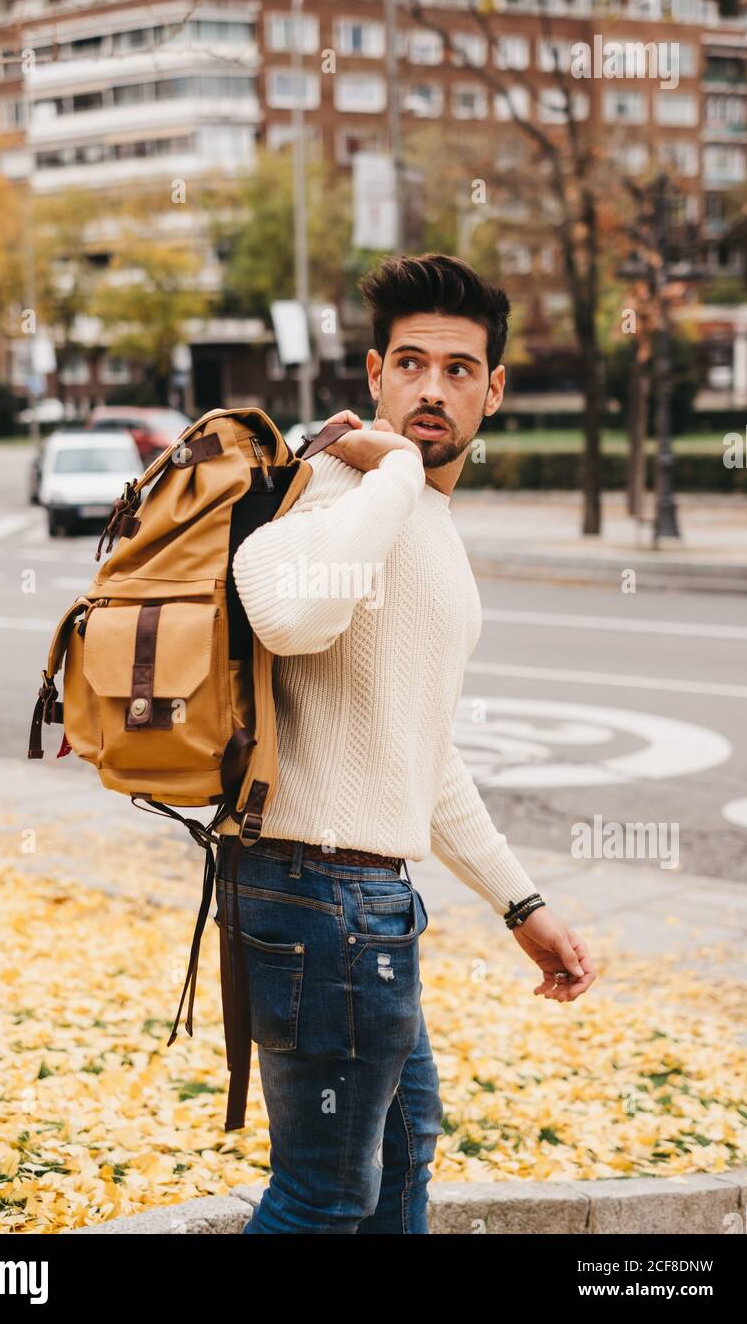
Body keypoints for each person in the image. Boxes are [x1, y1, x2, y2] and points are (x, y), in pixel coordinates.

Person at [216, 253, 596, 1234]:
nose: (433, 388)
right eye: (412, 364)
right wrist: (385, 468)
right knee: (325, 1192)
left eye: (459, 369)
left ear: (493, 389)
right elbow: (290, 613)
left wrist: (521, 902)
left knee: (396, 1165)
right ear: (375, 374)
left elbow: (423, 752)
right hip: (313, 891)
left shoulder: (421, 517)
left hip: (365, 901)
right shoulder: (340, 497)